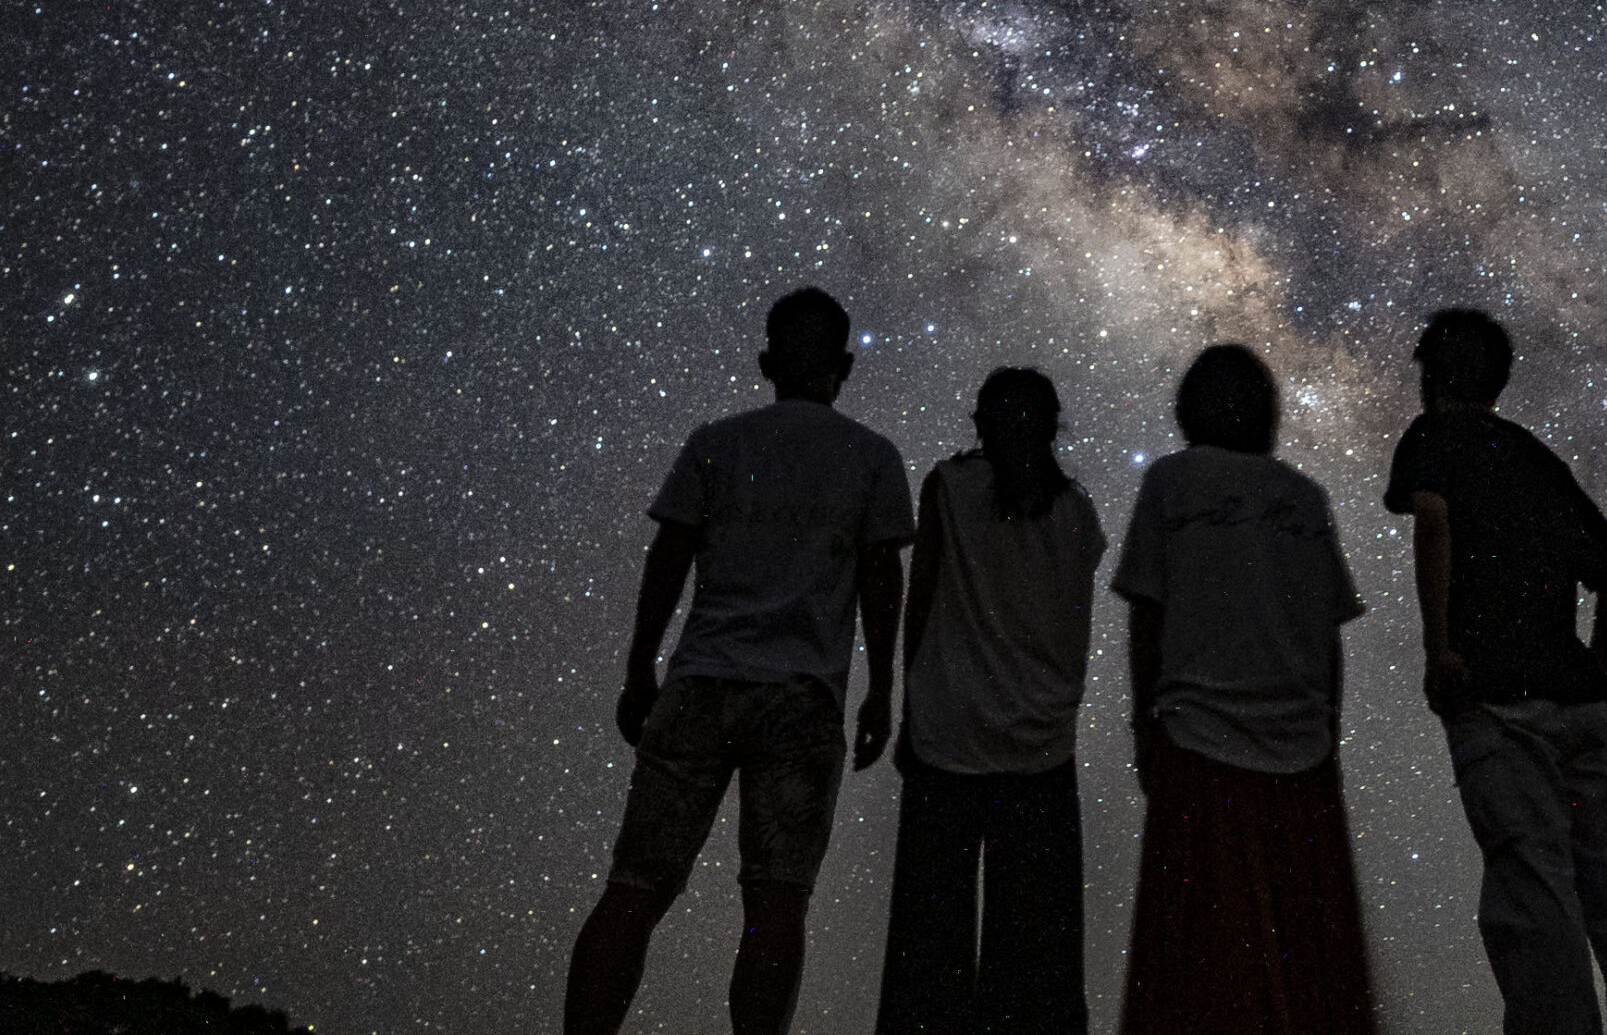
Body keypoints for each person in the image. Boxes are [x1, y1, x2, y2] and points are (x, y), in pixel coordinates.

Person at [564, 287, 914, 1035]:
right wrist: (883, 688)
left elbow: (669, 558)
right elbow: (883, 578)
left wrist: (638, 666)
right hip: (800, 696)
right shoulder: (872, 456)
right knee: (777, 901)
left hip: (700, 684)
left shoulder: (717, 442)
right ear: (844, 368)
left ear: (765, 361)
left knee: (634, 887)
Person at [1384, 309, 1607, 1035]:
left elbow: (1433, 518)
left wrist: (1438, 646)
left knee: (1535, 894)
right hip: (1579, 711)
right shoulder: (1540, 460)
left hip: (1498, 707)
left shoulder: (1434, 438)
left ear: (1431, 377)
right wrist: (1589, 672)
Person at [1111, 344, 1376, 1035]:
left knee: (1197, 968)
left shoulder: (1171, 481)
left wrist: (1145, 725)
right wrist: (1329, 736)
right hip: (1299, 753)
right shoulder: (1303, 496)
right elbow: (1327, 638)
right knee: (1306, 964)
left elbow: (1148, 612)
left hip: (1198, 743)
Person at [875, 368, 1109, 1035]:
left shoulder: (949, 486)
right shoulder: (1077, 512)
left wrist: (902, 703)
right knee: (1037, 958)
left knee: (927, 945)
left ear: (979, 423)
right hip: (1041, 744)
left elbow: (919, 605)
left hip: (948, 733)